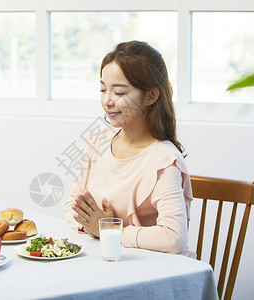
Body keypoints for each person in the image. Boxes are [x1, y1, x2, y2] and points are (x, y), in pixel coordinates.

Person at [63, 41, 194, 257]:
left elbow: (174, 238)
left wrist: (108, 229)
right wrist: (97, 227)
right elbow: (72, 207)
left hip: (154, 272)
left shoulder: (164, 160)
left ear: (151, 96)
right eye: (103, 89)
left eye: (120, 93)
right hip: (111, 261)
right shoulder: (99, 141)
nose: (107, 101)